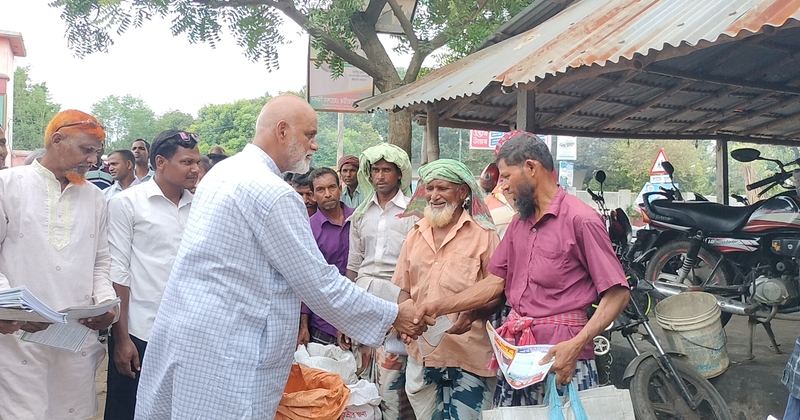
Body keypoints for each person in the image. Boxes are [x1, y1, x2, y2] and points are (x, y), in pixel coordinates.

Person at [133, 95, 433, 420]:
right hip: (232, 348)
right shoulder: (273, 193)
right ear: (282, 131)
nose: (315, 146)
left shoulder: (223, 173)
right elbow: (319, 283)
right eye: (310, 135)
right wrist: (393, 316)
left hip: (195, 335)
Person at [414, 132, 630, 408]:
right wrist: (439, 307)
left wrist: (577, 343)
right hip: (519, 357)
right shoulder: (520, 223)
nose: (501, 186)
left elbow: (618, 293)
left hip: (562, 356)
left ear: (531, 168)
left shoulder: (581, 219)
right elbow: (495, 282)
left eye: (505, 177)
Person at [0, 110, 118, 419]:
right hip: (19, 339)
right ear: (57, 140)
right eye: (86, 149)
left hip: (76, 339)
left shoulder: (95, 197)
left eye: (98, 153)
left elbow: (101, 261)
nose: (93, 161)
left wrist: (106, 304)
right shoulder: (7, 184)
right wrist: (13, 310)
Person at [394, 159, 501, 419]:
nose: (434, 195)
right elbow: (405, 290)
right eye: (429, 188)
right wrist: (403, 318)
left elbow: (499, 291)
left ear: (462, 192)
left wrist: (474, 314)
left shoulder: (484, 235)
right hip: (423, 355)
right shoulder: (415, 234)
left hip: (469, 356)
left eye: (442, 188)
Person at [105, 130, 201, 420]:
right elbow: (118, 272)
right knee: (127, 409)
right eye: (186, 162)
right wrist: (121, 340)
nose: (195, 169)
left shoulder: (200, 207)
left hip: (187, 333)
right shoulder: (127, 203)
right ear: (160, 161)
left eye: (196, 161)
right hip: (139, 333)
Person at [344, 143, 417, 420]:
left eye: (387, 170)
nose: (380, 176)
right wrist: (344, 313)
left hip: (397, 300)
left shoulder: (413, 213)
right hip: (363, 298)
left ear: (400, 175)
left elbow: (416, 267)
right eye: (375, 170)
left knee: (392, 385)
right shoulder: (360, 214)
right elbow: (353, 266)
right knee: (360, 382)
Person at [298, 167, 354, 347]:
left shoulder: (359, 220)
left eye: (332, 187)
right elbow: (306, 279)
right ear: (313, 196)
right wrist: (303, 325)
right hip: (324, 322)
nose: (328, 194)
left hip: (361, 315)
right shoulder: (308, 230)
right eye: (320, 190)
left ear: (340, 189)